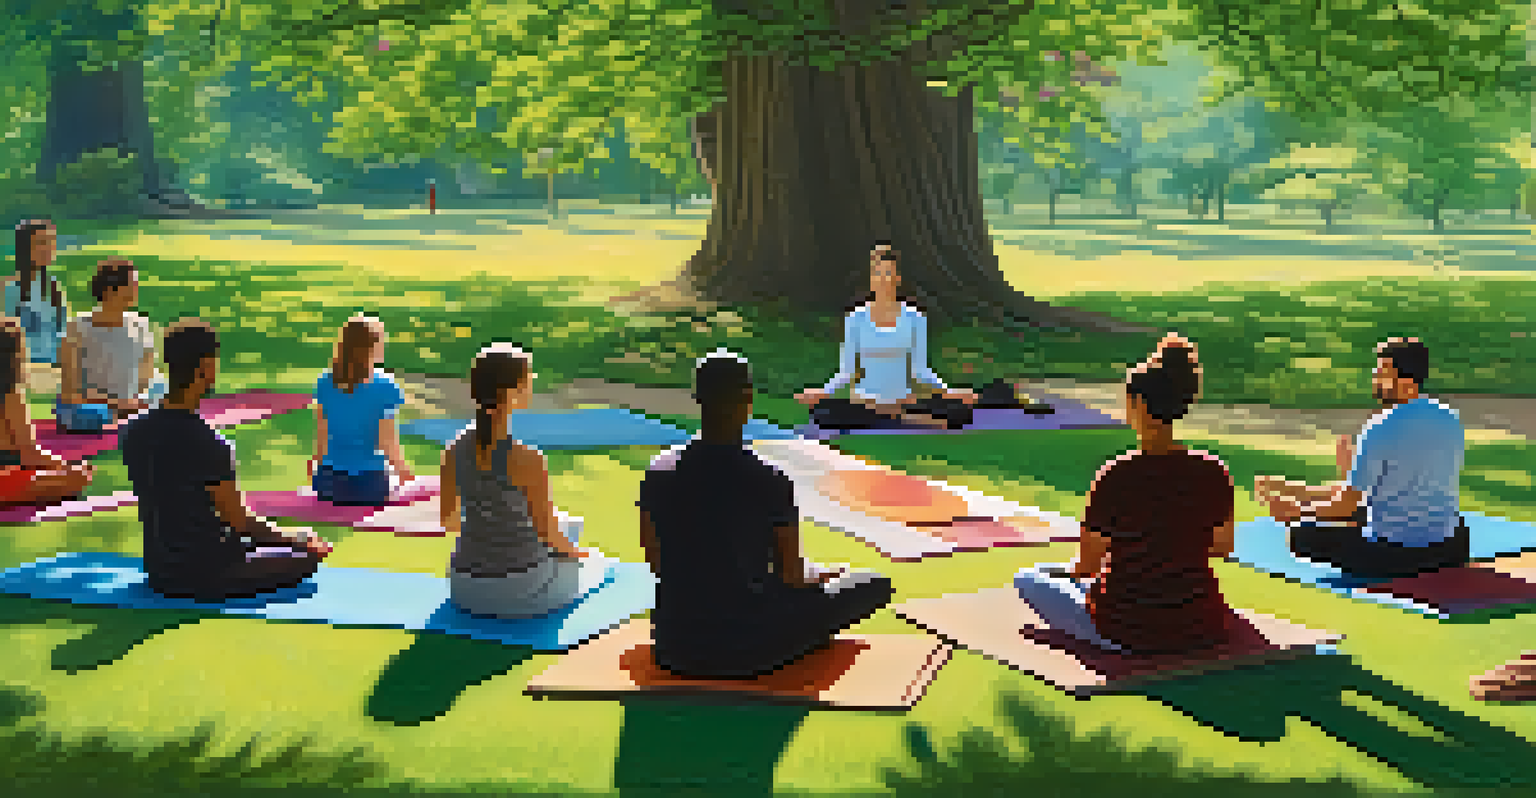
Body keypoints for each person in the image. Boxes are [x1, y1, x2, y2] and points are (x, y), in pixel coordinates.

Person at [641, 349, 896, 677]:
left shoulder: (658, 471)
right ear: (748, 401)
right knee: (873, 583)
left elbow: (656, 561)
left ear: (697, 399)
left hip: (674, 646)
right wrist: (820, 575)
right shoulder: (768, 478)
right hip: (752, 647)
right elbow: (792, 575)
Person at [1014, 334, 1237, 655]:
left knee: (1028, 578)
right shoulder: (1214, 470)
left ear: (1139, 405)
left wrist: (1061, 571)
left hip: (1125, 627)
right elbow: (1222, 547)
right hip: (1201, 622)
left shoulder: (1117, 474)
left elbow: (1087, 566)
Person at [120, 319, 331, 601]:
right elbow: (240, 522)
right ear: (206, 367)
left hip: (159, 570)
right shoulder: (209, 443)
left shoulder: (134, 431)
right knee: (305, 557)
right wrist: (296, 538)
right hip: (209, 572)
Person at [1257, 338, 1468, 579]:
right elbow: (1395, 487)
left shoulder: (1381, 426)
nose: (1375, 377)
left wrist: (1297, 512)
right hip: (1449, 548)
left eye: (1382, 372)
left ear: (1407, 380)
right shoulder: (1450, 418)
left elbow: (1347, 505)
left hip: (1395, 553)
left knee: (1301, 535)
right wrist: (1294, 489)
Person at [441, 344, 600, 619]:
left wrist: (489, 524)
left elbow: (450, 521)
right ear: (512, 392)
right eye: (528, 379)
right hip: (519, 586)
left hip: (463, 586)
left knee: (567, 524)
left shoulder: (454, 448)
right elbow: (548, 534)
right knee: (592, 559)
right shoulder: (527, 458)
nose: (532, 385)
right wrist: (578, 555)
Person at [795, 241, 976, 430]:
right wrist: (823, 392)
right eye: (878, 273)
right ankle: (903, 419)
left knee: (960, 411)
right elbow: (846, 372)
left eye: (889, 273)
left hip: (902, 400)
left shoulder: (914, 317)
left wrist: (950, 392)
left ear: (897, 278)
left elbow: (920, 370)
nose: (884, 280)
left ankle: (894, 417)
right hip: (866, 403)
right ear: (872, 279)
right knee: (822, 413)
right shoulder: (856, 318)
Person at [308, 316, 412, 506]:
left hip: (330, 484)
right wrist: (405, 473)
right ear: (372, 348)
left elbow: (322, 433)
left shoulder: (325, 382)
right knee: (404, 488)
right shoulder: (386, 386)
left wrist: (316, 468)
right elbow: (386, 440)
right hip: (369, 485)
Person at [55, 259, 167, 433]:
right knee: (92, 415)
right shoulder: (77, 328)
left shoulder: (140, 325)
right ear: (109, 291)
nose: (137, 290)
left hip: (130, 404)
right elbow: (71, 392)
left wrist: (137, 402)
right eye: (132, 285)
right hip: (91, 407)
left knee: (163, 388)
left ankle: (129, 420)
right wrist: (119, 404)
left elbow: (146, 380)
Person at [0, 318, 94, 505]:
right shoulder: (11, 395)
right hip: (8, 478)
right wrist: (65, 465)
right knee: (77, 477)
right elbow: (29, 453)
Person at [5, 219, 71, 366]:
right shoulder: (12, 289)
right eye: (41, 243)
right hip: (25, 366)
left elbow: (63, 332)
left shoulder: (54, 287)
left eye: (50, 243)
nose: (48, 249)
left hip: (56, 365)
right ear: (25, 248)